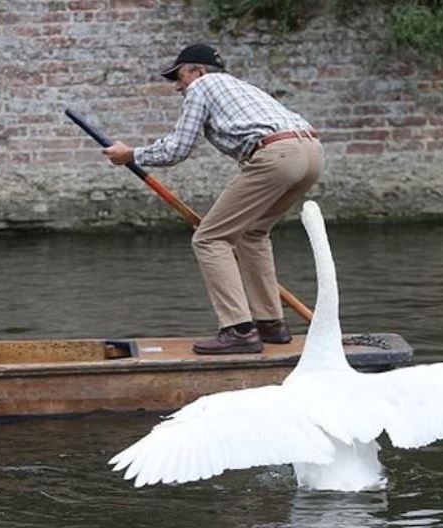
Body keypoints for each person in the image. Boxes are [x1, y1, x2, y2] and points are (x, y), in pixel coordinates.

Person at [104, 43, 324, 355]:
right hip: (312, 153)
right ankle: (271, 325)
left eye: (179, 76)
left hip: (278, 154)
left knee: (209, 239)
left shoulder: (202, 86)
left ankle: (238, 330)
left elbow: (178, 149)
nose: (178, 86)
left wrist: (131, 154)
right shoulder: (243, 87)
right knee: (252, 233)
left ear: (199, 71)